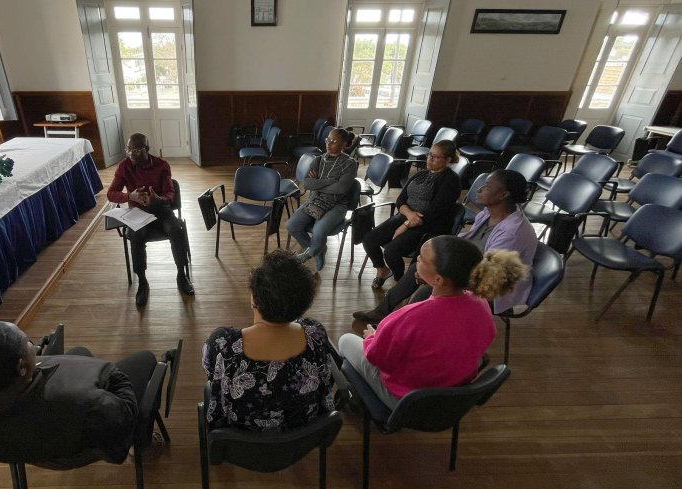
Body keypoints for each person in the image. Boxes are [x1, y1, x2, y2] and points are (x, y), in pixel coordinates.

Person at [0, 321, 159, 469]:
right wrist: (114, 375)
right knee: (145, 358)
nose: (33, 345)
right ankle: (138, 445)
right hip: (82, 448)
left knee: (81, 352)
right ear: (21, 368)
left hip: (31, 449)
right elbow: (123, 416)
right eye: (28, 342)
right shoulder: (79, 402)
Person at [339, 236, 527, 408]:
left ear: (438, 279)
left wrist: (371, 337)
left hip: (407, 401)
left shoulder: (409, 316)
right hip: (453, 398)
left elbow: (377, 358)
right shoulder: (481, 304)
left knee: (345, 340)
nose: (417, 260)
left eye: (421, 258)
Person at [353, 169, 538, 323]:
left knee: (431, 285)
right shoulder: (489, 213)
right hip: (472, 267)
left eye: (487, 186)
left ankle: (401, 326)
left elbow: (488, 275)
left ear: (504, 195)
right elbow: (466, 240)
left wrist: (437, 274)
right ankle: (389, 315)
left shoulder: (511, 233)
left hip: (493, 286)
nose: (479, 189)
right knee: (423, 263)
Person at [201, 250, 334, 431]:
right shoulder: (315, 334)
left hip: (239, 440)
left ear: (254, 299)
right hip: (303, 434)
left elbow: (210, 370)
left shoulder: (224, 344)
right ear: (304, 304)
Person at [361, 140, 462, 289]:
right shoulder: (421, 174)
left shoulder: (451, 180)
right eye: (429, 155)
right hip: (407, 217)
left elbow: (435, 211)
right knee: (369, 239)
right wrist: (408, 216)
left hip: (429, 225)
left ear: (447, 160)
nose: (429, 159)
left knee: (391, 251)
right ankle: (382, 269)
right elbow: (401, 200)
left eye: (435, 157)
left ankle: (400, 282)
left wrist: (407, 224)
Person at [107, 133, 192, 307]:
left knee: (176, 230)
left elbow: (170, 193)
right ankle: (142, 281)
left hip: (162, 210)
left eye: (136, 150)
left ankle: (181, 274)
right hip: (138, 212)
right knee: (135, 236)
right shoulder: (124, 167)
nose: (131, 154)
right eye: (129, 149)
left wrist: (157, 199)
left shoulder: (162, 165)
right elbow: (110, 194)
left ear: (147, 149)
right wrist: (129, 196)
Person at [285, 128, 358, 271]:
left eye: (334, 141)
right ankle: (318, 250)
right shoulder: (318, 160)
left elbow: (341, 189)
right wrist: (330, 180)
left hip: (337, 205)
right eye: (327, 140)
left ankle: (311, 252)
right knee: (292, 225)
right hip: (315, 200)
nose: (329, 144)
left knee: (319, 231)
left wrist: (318, 183)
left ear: (344, 145)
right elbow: (307, 183)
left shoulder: (349, 163)